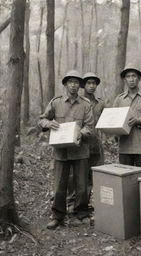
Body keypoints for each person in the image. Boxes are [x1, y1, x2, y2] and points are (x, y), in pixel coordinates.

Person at [38, 70, 94, 229]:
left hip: (80, 150)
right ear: (65, 84)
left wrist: (80, 133)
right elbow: (42, 119)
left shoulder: (85, 104)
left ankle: (81, 213)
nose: (73, 85)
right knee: (59, 186)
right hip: (61, 152)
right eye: (70, 82)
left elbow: (90, 126)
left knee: (82, 185)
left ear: (80, 85)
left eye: (76, 82)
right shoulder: (55, 102)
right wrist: (48, 124)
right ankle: (58, 216)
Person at [113, 64, 141, 175]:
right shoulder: (119, 99)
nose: (131, 79)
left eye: (134, 76)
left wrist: (138, 121)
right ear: (124, 79)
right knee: (125, 181)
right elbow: (114, 120)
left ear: (139, 78)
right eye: (128, 76)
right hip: (125, 147)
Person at [83, 72, 105, 202]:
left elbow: (108, 120)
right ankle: (81, 204)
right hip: (82, 144)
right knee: (81, 176)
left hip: (96, 144)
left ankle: (98, 204)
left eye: (94, 83)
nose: (92, 86)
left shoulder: (100, 103)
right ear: (83, 85)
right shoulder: (79, 102)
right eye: (89, 83)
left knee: (97, 175)